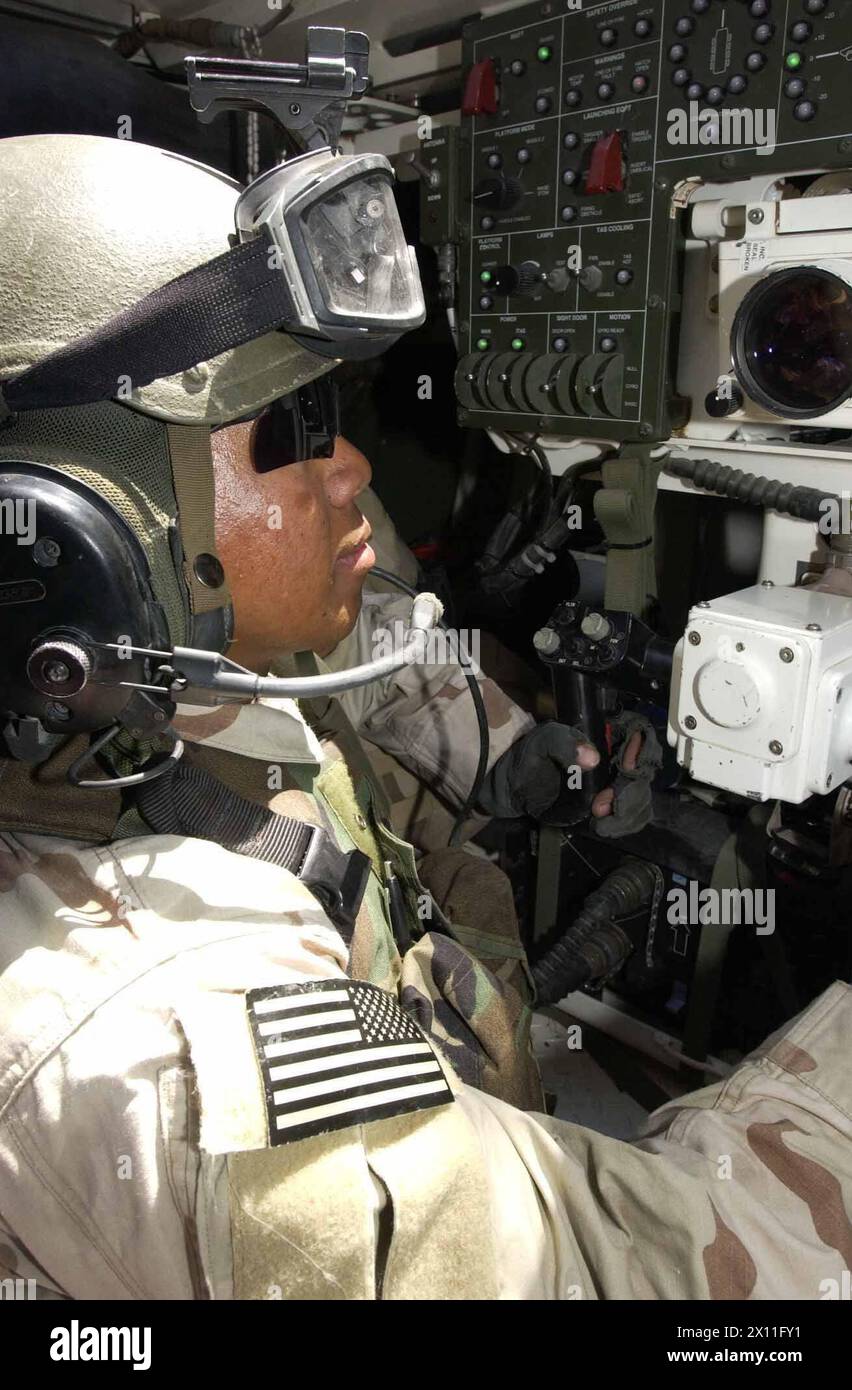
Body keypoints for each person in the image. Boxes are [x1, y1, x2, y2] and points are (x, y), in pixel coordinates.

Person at [0, 133, 850, 1301]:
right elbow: (663, 1279)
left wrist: (516, 768)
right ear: (83, 526)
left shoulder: (165, 691)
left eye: (334, 412)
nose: (350, 465)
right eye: (290, 430)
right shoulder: (145, 1019)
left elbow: (365, 692)